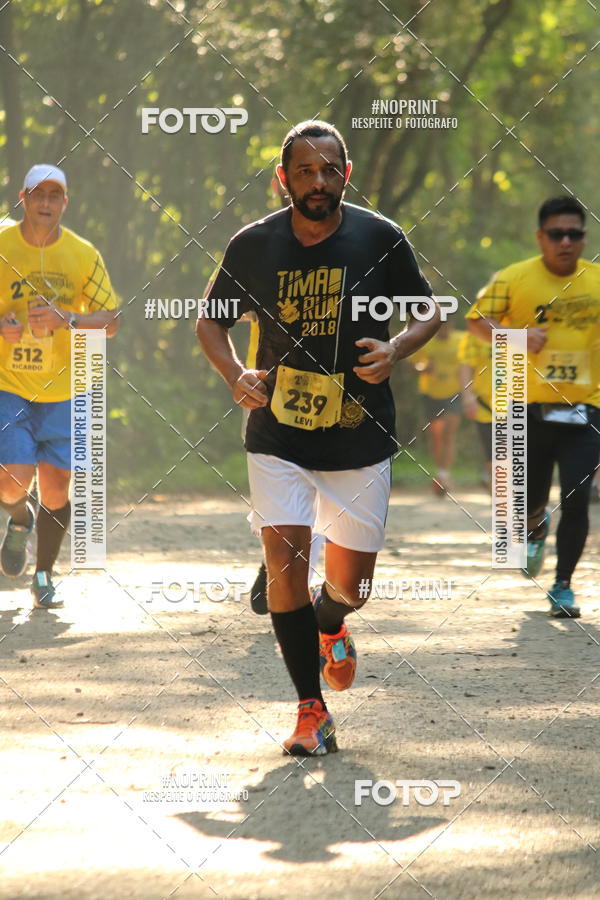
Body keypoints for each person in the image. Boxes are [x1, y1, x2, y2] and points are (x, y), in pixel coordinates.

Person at [197, 120, 441, 755]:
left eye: (329, 169)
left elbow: (428, 309)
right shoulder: (253, 245)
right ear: (284, 180)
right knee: (287, 566)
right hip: (277, 432)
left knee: (352, 587)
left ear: (346, 173)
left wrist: (398, 348)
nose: (318, 181)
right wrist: (233, 375)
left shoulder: (379, 237)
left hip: (359, 435)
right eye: (304, 171)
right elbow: (210, 323)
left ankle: (330, 621)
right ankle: (311, 712)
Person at [467, 196, 600, 618]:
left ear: (583, 237)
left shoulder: (597, 280)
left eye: (574, 234)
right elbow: (476, 320)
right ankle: (533, 528)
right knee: (530, 500)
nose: (566, 242)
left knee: (578, 498)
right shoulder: (513, 278)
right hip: (529, 408)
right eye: (557, 234)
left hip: (587, 406)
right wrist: (515, 336)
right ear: (541, 237)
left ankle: (563, 586)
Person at [0, 164, 119, 608]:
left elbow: (111, 322)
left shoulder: (83, 254)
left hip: (66, 390)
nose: (46, 202)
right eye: (38, 194)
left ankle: (44, 575)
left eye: (55, 195)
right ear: (23, 198)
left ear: (65, 203)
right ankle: (18, 517)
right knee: (11, 483)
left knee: (56, 487)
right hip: (8, 385)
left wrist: (67, 318)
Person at [411, 319, 463, 494]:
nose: (444, 329)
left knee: (449, 433)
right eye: (440, 326)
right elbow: (413, 362)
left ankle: (444, 476)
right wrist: (423, 368)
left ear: (451, 325)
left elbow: (471, 362)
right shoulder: (427, 341)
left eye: (447, 325)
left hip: (454, 393)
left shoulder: (461, 340)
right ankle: (440, 472)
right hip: (431, 393)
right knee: (436, 436)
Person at [458, 331, 493, 492]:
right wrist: (467, 397)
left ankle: (532, 508)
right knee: (495, 462)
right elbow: (465, 366)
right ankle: (504, 510)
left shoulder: (523, 326)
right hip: (487, 407)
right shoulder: (475, 334)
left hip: (523, 404)